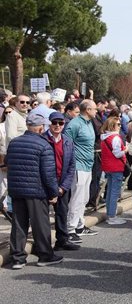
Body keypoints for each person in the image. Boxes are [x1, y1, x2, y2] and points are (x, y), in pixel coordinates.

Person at [6, 112, 62, 269]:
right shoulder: (44, 145)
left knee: (18, 223)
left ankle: (17, 258)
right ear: (40, 128)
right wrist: (53, 193)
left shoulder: (14, 143)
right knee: (40, 223)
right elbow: (48, 174)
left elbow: (9, 163)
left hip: (17, 190)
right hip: (36, 191)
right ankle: (45, 255)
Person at [63, 100, 98, 243]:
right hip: (78, 166)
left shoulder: (89, 123)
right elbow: (66, 144)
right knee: (76, 199)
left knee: (83, 198)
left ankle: (79, 225)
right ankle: (70, 229)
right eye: (94, 109)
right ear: (88, 109)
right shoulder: (75, 124)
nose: (96, 111)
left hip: (88, 165)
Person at [44, 112, 79, 251]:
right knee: (43, 215)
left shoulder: (67, 141)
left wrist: (63, 187)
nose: (57, 126)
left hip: (62, 182)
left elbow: (72, 165)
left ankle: (62, 240)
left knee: (62, 212)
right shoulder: (43, 139)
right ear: (49, 123)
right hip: (46, 182)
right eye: (54, 123)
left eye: (61, 123)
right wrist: (51, 187)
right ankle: (44, 243)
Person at [100, 116, 127, 225]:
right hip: (116, 167)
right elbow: (117, 153)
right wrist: (125, 150)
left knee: (110, 191)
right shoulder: (115, 137)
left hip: (108, 167)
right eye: (119, 124)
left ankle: (110, 214)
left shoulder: (105, 137)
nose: (120, 126)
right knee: (114, 192)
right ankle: (112, 216)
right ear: (113, 126)